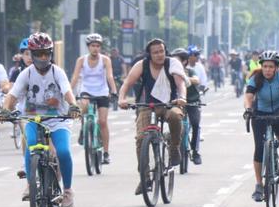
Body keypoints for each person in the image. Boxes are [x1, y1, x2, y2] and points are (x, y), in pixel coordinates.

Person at [4, 33, 81, 207]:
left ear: (51, 54)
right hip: (34, 119)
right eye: (39, 54)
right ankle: (31, 185)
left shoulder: (57, 72)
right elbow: (12, 95)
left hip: (58, 120)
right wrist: (5, 109)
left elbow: (67, 91)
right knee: (31, 146)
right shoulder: (26, 73)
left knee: (63, 151)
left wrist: (73, 106)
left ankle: (67, 191)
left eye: (46, 53)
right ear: (32, 54)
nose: (43, 57)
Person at [118, 38, 188, 194]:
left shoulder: (173, 64)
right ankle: (145, 179)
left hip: (170, 104)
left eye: (161, 51)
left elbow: (181, 84)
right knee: (141, 139)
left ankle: (174, 147)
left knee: (176, 116)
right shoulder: (141, 65)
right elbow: (127, 83)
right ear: (149, 55)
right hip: (148, 106)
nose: (159, 55)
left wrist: (182, 98)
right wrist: (121, 99)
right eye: (155, 52)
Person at [244, 50, 279, 202]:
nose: (267, 70)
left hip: (278, 108)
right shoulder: (256, 78)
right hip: (260, 110)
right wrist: (248, 109)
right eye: (265, 66)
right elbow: (248, 97)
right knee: (259, 148)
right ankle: (259, 185)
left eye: (271, 67)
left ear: (276, 67)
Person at [69, 33, 117, 165]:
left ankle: (106, 153)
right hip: (86, 90)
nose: (95, 48)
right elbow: (75, 77)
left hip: (102, 92)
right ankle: (83, 129)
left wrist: (114, 91)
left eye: (97, 46)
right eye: (92, 46)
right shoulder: (81, 60)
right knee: (83, 107)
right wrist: (69, 92)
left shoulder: (105, 60)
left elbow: (110, 76)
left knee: (102, 121)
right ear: (88, 47)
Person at [175, 48, 205, 165]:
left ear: (185, 61)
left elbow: (196, 80)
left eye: (179, 60)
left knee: (196, 124)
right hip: (176, 103)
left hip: (192, 102)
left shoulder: (190, 71)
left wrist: (184, 78)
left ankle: (195, 151)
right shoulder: (170, 72)